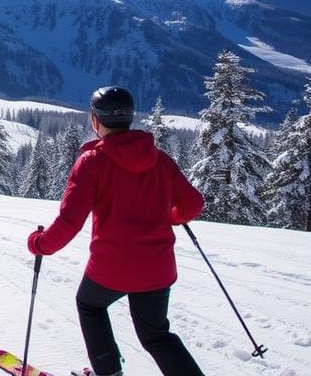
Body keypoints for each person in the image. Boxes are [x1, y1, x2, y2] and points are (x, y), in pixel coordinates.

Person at [26, 86, 205, 376]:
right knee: (156, 336)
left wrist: (40, 244)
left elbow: (70, 222)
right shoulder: (160, 160)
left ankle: (108, 372)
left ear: (96, 120)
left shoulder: (92, 162)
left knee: (89, 305)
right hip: (157, 268)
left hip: (111, 268)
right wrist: (171, 216)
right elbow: (193, 204)